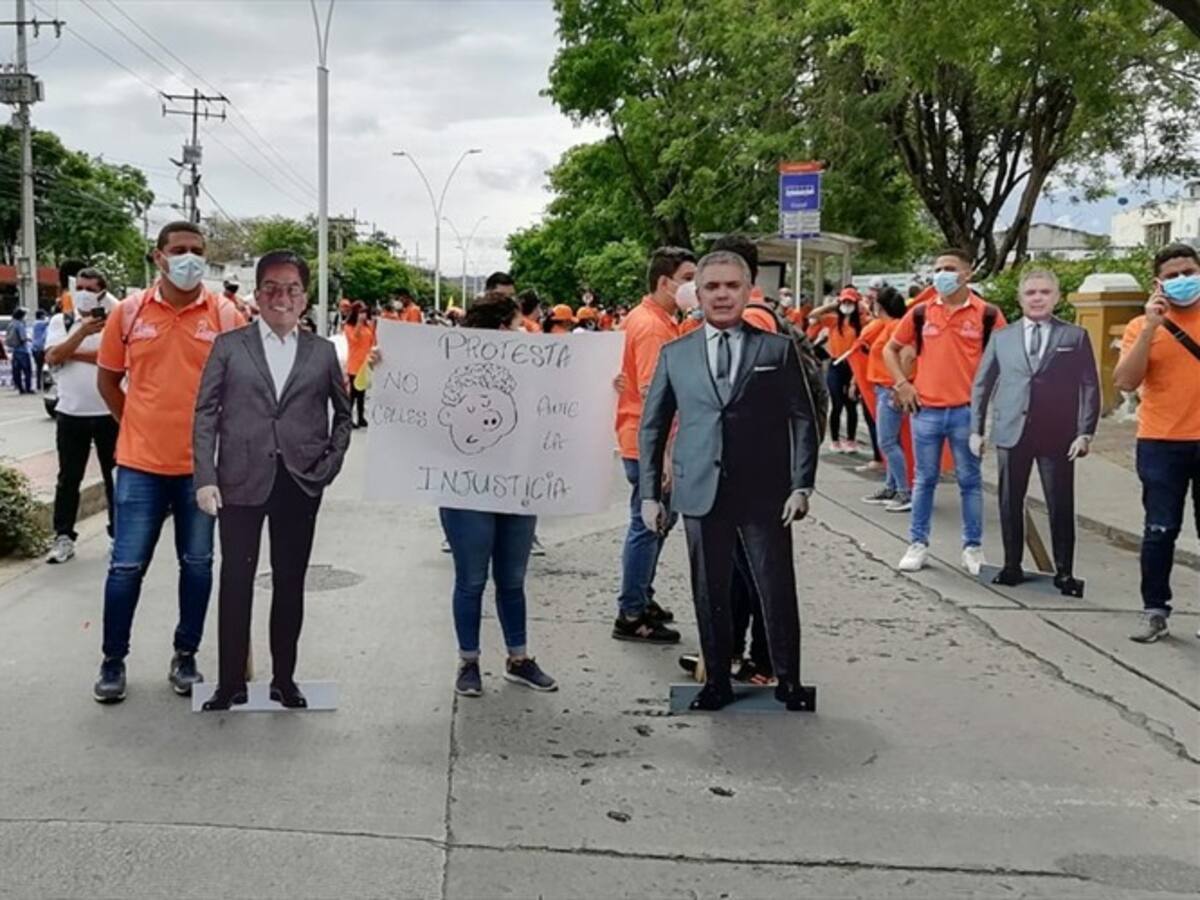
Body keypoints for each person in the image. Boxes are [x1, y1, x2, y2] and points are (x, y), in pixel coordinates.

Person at [639, 251, 819, 711]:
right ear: (697, 296)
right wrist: (648, 494)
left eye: (731, 286)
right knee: (709, 590)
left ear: (747, 291)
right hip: (698, 489)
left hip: (765, 491)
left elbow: (803, 418)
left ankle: (789, 681)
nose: (722, 295)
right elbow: (653, 427)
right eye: (712, 287)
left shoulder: (776, 351)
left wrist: (802, 484)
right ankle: (716, 680)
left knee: (776, 587)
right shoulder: (675, 354)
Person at [91, 221, 244, 704]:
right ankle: (112, 662)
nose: (189, 259)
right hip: (139, 466)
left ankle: (186, 655)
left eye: (197, 251)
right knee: (126, 567)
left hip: (201, 470)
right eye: (178, 250)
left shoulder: (225, 315)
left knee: (197, 565)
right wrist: (136, 424)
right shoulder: (130, 313)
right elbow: (108, 382)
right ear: (158, 257)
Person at [193, 250, 352, 710]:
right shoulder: (229, 346)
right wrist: (205, 475)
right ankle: (230, 684)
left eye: (292, 289)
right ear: (257, 294)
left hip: (300, 482)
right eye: (272, 289)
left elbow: (344, 416)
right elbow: (204, 413)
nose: (282, 298)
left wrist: (329, 464)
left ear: (305, 297)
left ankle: (285, 679)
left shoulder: (322, 352)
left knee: (290, 582)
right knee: (236, 581)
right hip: (239, 480)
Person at [440, 291, 557, 697]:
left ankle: (518, 659)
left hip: (517, 486)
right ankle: (469, 662)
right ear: (498, 328)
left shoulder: (532, 364)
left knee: (512, 578)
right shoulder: (449, 363)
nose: (522, 329)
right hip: (467, 490)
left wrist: (604, 386)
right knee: (471, 579)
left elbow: (564, 399)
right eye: (515, 323)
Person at [971, 269, 1099, 594]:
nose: (1038, 298)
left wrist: (1085, 432)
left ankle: (1065, 572)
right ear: (1020, 298)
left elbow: (1089, 386)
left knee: (1060, 504)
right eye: (1031, 293)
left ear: (1056, 297)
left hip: (1057, 434)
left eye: (1044, 292)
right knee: (1009, 501)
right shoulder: (1002, 337)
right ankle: (1011, 565)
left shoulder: (1074, 337)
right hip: (1011, 430)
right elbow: (982, 384)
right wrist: (976, 428)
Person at [884, 248, 1006, 574]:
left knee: (969, 481)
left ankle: (972, 548)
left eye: (949, 268)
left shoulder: (988, 315)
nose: (942, 274)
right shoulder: (922, 312)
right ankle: (917, 544)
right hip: (926, 411)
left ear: (968, 274)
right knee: (924, 479)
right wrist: (901, 383)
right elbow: (890, 349)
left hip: (969, 413)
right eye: (937, 268)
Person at [1113, 242, 1200, 643]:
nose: (1183, 280)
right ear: (1158, 283)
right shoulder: (1139, 326)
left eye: (1189, 271)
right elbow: (1126, 381)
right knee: (1160, 530)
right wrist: (1150, 326)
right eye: (1173, 275)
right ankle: (1155, 611)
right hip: (1161, 443)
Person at [612, 246, 695, 644]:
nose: (695, 287)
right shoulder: (652, 327)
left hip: (646, 443)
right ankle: (631, 612)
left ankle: (641, 596)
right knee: (648, 525)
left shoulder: (657, 319)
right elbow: (652, 394)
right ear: (665, 282)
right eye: (689, 278)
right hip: (648, 445)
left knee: (658, 522)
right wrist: (661, 455)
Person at [43, 268, 119, 564]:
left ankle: (117, 536)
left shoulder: (115, 321)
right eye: (81, 286)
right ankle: (63, 537)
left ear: (102, 292)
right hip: (70, 413)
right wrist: (83, 333)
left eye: (91, 288)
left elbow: (112, 360)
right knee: (67, 479)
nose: (84, 292)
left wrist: (69, 352)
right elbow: (51, 357)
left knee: (114, 478)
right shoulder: (61, 320)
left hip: (108, 412)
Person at [860, 286, 913, 512]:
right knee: (892, 441)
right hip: (886, 388)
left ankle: (903, 491)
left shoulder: (895, 327)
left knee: (887, 442)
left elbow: (908, 356)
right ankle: (892, 486)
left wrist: (899, 385)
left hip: (889, 389)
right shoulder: (890, 325)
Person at [811, 288, 865, 452]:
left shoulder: (861, 322)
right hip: (836, 364)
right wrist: (833, 305)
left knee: (851, 404)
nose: (847, 305)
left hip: (854, 364)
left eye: (850, 302)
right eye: (844, 302)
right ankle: (835, 439)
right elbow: (813, 315)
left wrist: (862, 305)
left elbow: (874, 319)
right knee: (837, 403)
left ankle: (850, 439)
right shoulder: (833, 320)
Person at [344, 301, 374, 429]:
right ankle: (347, 418)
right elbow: (354, 339)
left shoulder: (368, 327)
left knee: (362, 392)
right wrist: (359, 323)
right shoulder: (349, 327)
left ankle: (361, 417)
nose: (363, 315)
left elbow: (372, 341)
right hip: (355, 364)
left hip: (365, 363)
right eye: (361, 312)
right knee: (354, 394)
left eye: (365, 312)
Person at [6, 308, 33, 394]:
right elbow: (23, 338)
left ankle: (20, 388)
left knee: (16, 371)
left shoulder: (11, 324)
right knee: (27, 370)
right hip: (23, 350)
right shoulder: (20, 325)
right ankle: (28, 388)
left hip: (15, 350)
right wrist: (28, 339)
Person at [31, 309, 49, 390]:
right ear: (41, 316)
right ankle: (40, 384)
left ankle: (39, 384)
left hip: (36, 348)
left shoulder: (35, 323)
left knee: (39, 368)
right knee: (41, 367)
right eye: (44, 315)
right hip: (39, 348)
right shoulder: (39, 323)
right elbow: (48, 322)